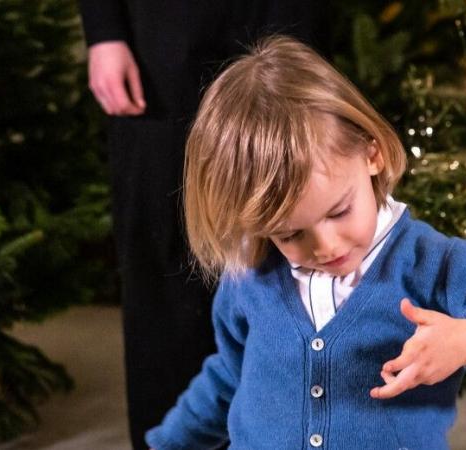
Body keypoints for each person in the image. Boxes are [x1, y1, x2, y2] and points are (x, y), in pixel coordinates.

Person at [146, 36, 466, 450]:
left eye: (338, 211)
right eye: (289, 233)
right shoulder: (249, 274)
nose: (325, 245)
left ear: (372, 153)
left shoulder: (435, 264)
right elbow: (229, 375)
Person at [76, 3, 328, 449]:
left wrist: (295, 48)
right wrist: (103, 31)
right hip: (154, 50)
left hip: (276, 27)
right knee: (160, 267)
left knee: (284, 260)